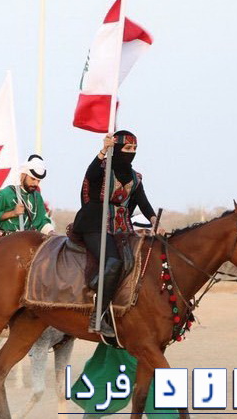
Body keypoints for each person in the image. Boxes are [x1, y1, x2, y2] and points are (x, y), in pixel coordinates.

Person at [72, 131, 158, 338]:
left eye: (134, 149)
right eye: (127, 148)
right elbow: (90, 174)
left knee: (134, 261)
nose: (132, 152)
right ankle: (97, 315)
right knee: (113, 261)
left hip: (121, 226)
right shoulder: (102, 168)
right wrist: (103, 150)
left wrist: (155, 220)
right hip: (94, 223)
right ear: (116, 148)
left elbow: (143, 201)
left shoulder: (136, 178)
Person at [0, 154, 54, 236]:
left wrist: (51, 232)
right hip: (7, 239)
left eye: (38, 181)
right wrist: (12, 213)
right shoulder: (6, 193)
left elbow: (42, 221)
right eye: (33, 179)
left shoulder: (37, 197)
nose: (36, 184)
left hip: (28, 239)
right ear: (23, 175)